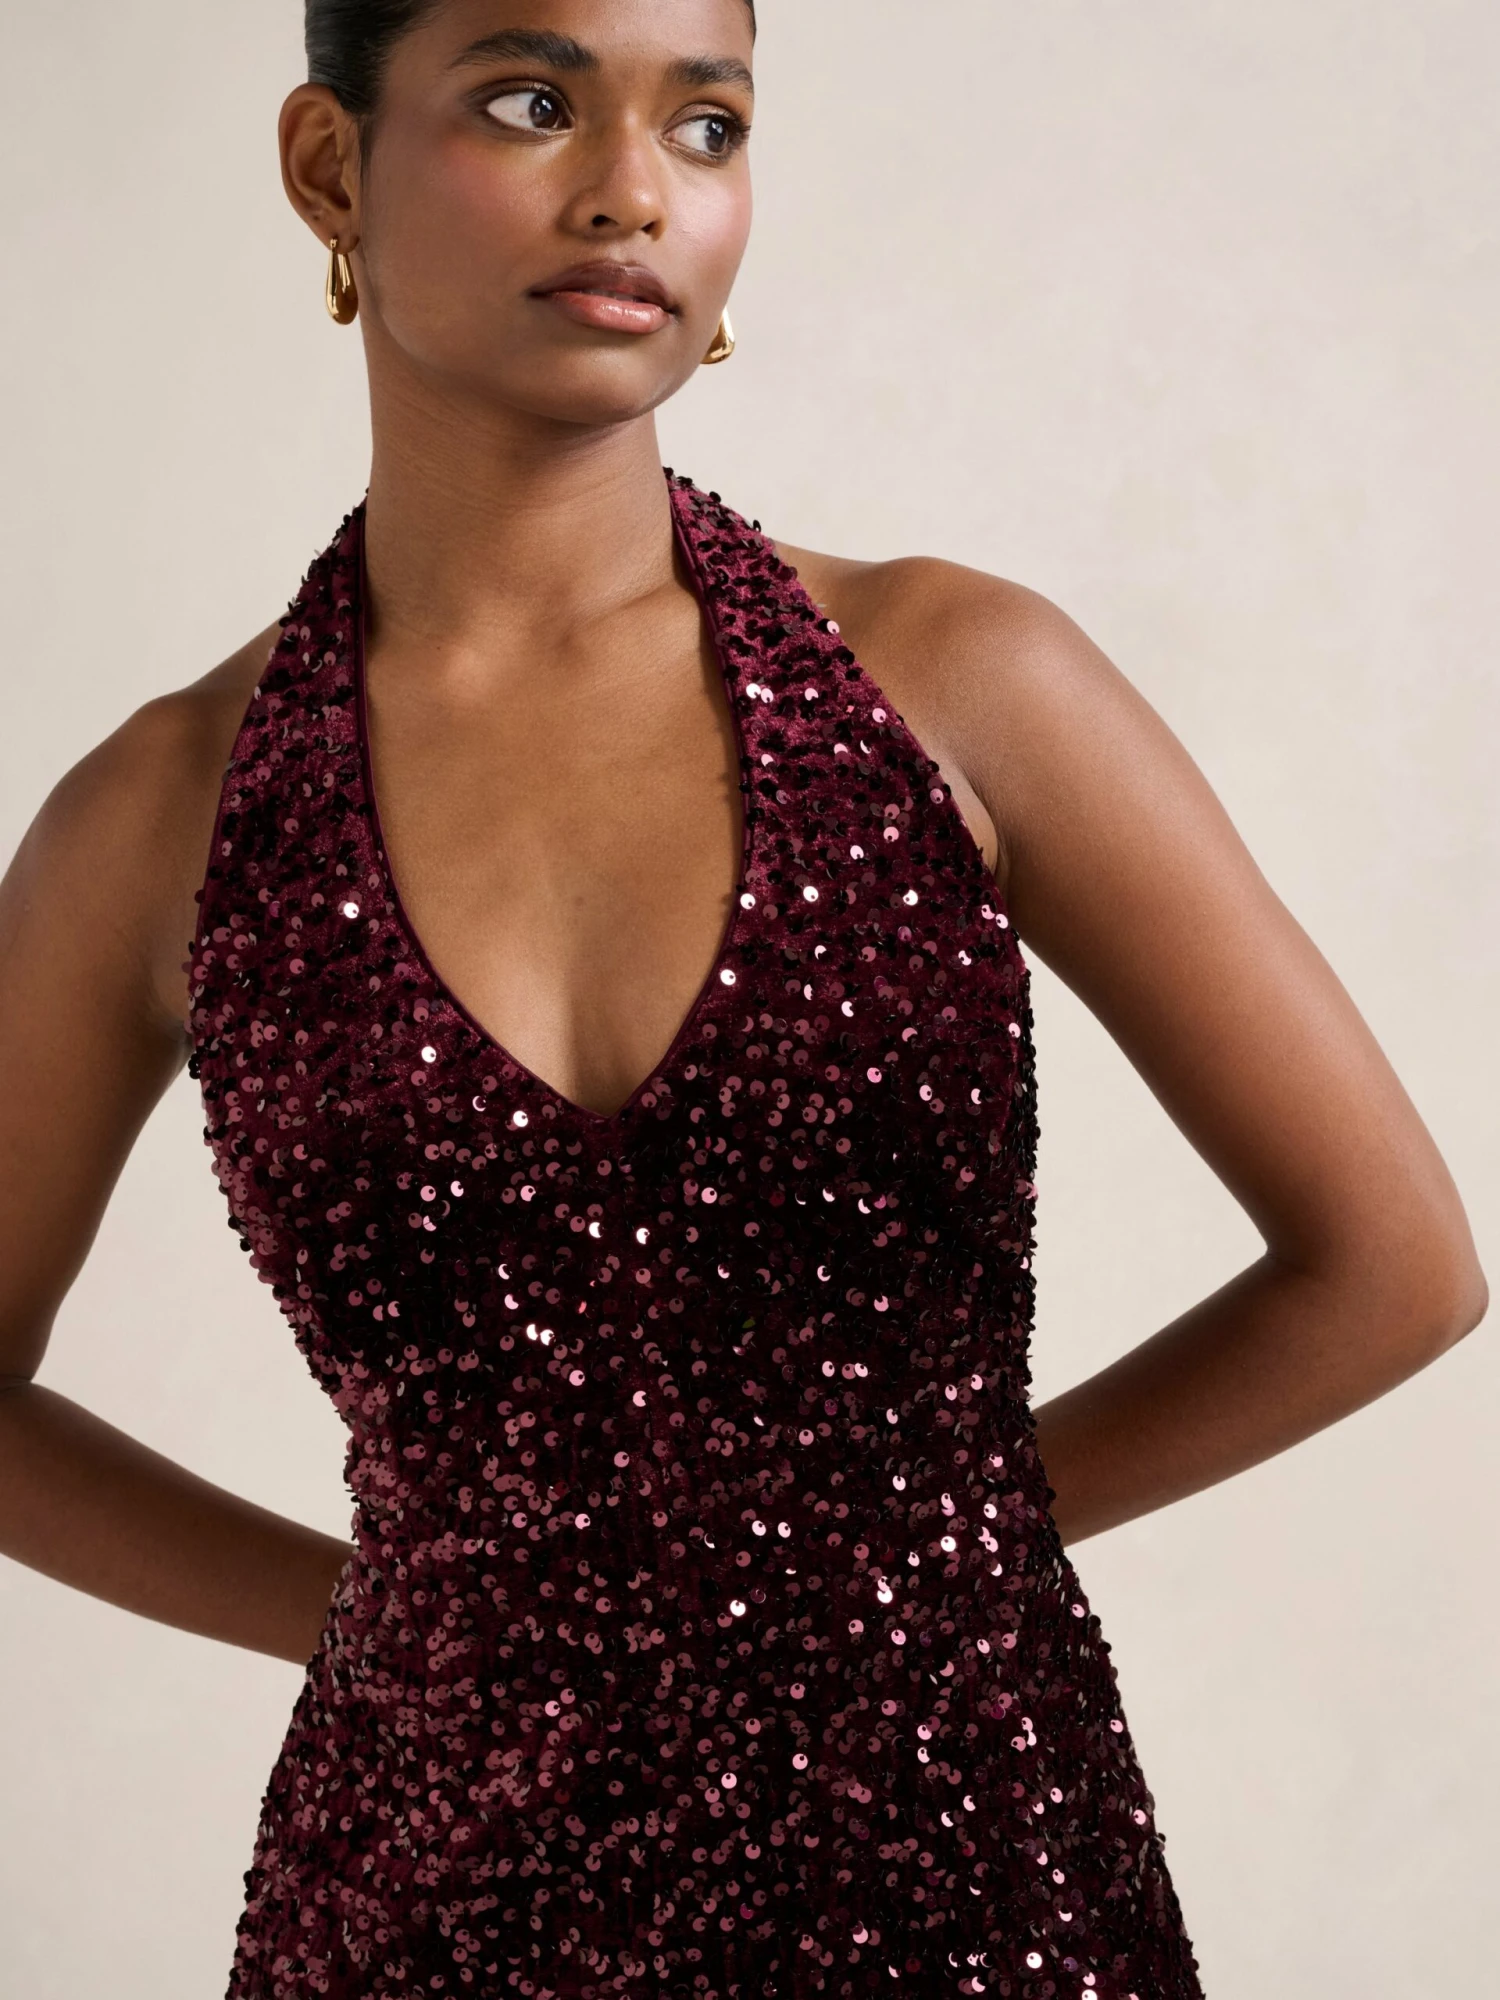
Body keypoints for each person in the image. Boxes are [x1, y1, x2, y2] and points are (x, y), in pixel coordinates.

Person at [0, 2, 1485, 1995]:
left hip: (970, 1877)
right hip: (428, 1900)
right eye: (533, 102)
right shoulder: (163, 816)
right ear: (329, 169)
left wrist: (929, 1546)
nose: (634, 189)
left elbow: (1396, 1267)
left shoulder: (959, 681)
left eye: (707, 124)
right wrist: (385, 1624)